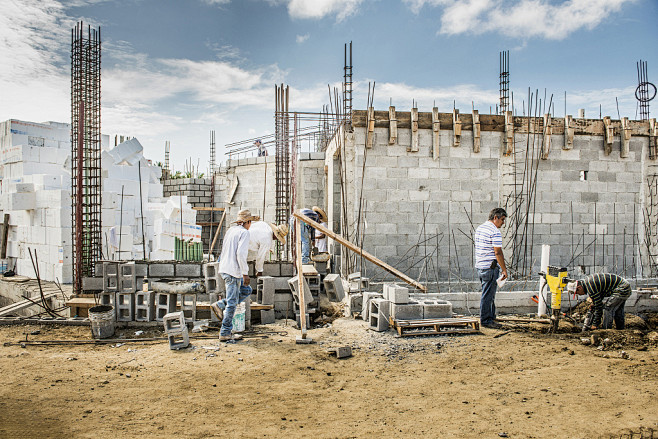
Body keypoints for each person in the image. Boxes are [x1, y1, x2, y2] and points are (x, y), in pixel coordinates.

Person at [211, 209, 259, 342]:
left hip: (225, 268)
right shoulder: (244, 233)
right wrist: (245, 274)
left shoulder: (231, 231)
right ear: (247, 222)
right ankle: (225, 332)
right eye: (250, 223)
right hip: (233, 271)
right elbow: (241, 254)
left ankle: (221, 304)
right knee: (232, 303)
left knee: (246, 290)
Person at [474, 207, 508, 329]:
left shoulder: (480, 228)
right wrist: (504, 269)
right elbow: (498, 252)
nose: (503, 223)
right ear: (495, 218)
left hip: (481, 266)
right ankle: (486, 320)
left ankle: (490, 316)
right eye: (502, 220)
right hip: (490, 267)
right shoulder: (494, 231)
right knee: (488, 295)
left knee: (489, 293)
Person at [567, 273, 632, 330]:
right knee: (618, 309)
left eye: (578, 293)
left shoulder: (590, 288)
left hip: (622, 288)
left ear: (579, 287)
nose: (580, 295)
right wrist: (595, 303)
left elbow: (599, 307)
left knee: (608, 308)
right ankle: (620, 329)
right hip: (625, 286)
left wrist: (595, 324)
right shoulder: (588, 282)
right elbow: (601, 291)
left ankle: (606, 330)